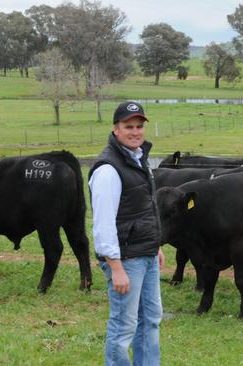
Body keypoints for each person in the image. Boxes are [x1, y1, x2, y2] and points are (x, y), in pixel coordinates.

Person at [88, 101, 165, 366]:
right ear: (115, 129)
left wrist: (155, 246)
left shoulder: (138, 158)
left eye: (139, 126)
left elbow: (143, 209)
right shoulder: (108, 169)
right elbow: (104, 223)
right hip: (126, 260)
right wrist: (115, 266)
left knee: (151, 320)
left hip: (145, 255)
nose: (135, 131)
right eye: (128, 126)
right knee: (124, 327)